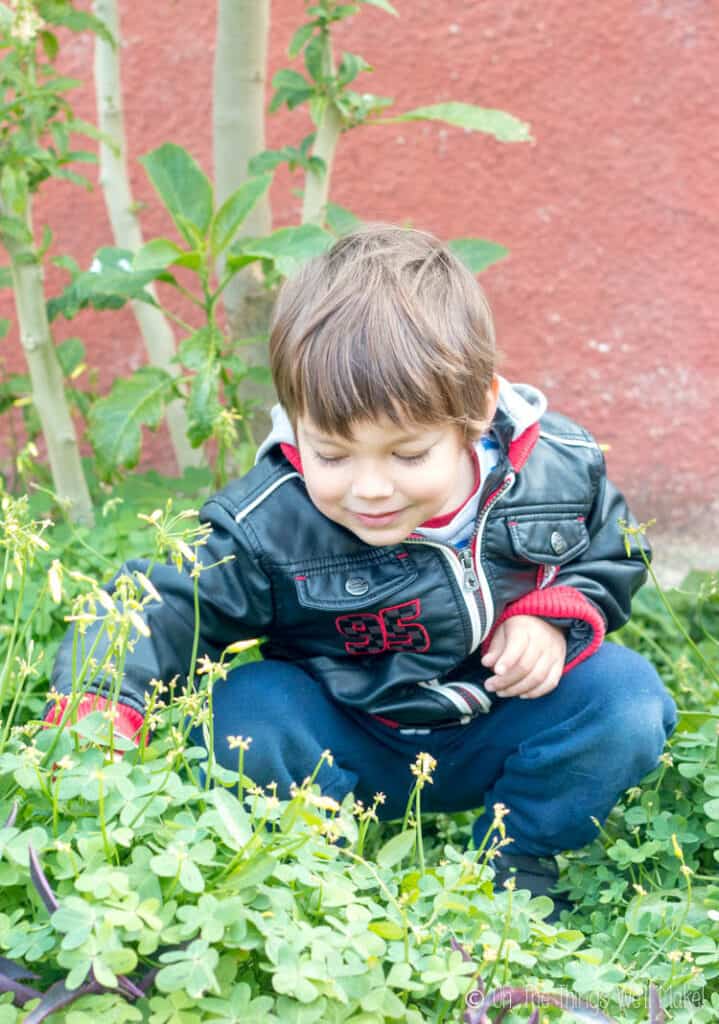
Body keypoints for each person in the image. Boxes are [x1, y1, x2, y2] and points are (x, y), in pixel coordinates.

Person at [48, 225, 677, 919]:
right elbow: (161, 601)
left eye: (406, 456)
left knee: (624, 699)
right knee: (243, 709)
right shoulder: (270, 519)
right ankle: (315, 869)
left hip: (496, 721)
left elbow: (614, 546)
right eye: (333, 455)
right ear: (296, 423)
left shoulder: (554, 465)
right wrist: (100, 702)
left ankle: (519, 856)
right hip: (348, 734)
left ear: (475, 416)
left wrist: (554, 616)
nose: (368, 488)